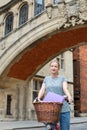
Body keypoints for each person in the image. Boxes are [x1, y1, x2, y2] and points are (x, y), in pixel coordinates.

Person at [37, 58, 73, 130]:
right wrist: (38, 98)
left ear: (58, 68)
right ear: (50, 67)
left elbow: (65, 88)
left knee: (65, 128)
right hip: (51, 109)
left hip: (63, 108)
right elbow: (42, 89)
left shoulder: (62, 78)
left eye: (55, 66)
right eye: (52, 66)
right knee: (50, 128)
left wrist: (69, 96)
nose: (53, 68)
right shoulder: (46, 79)